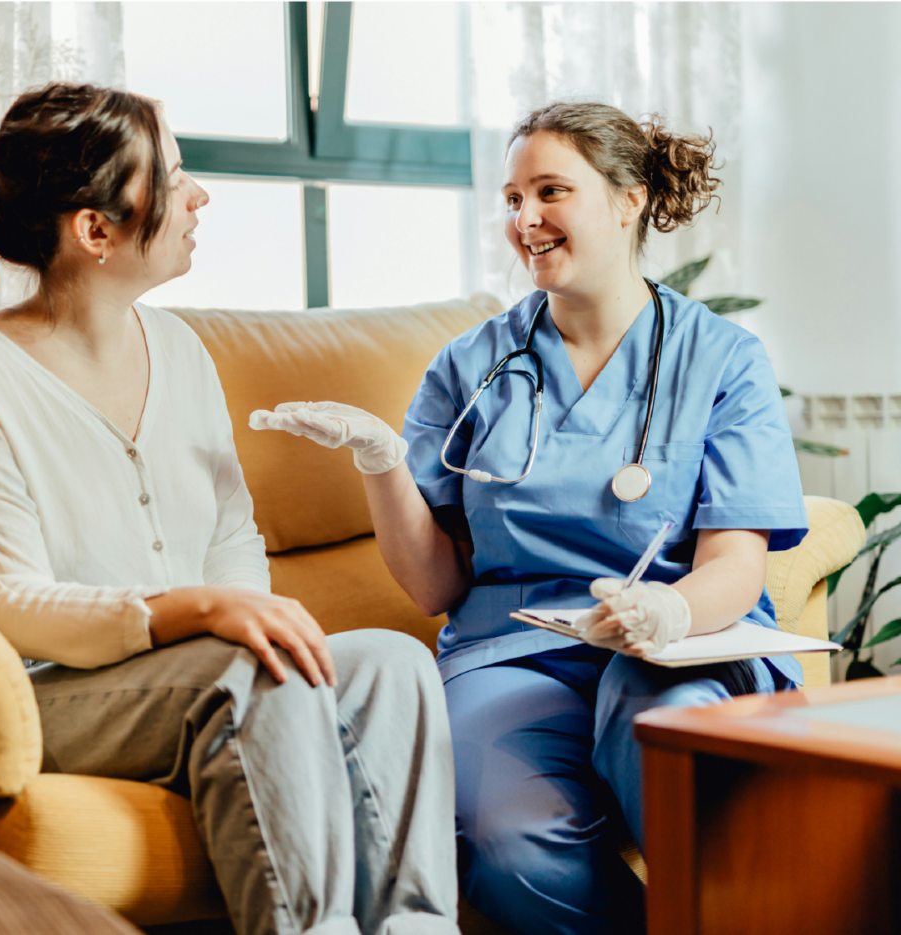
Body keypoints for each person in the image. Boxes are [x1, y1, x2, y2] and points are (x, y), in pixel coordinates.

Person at [251, 101, 809, 935]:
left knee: (661, 724)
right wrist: (381, 463)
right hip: (514, 649)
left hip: (681, 639)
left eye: (550, 191)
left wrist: (670, 609)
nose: (524, 219)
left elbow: (737, 562)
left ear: (629, 199)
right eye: (512, 198)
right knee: (507, 841)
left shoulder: (722, 359)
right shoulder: (471, 365)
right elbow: (438, 580)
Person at [0, 83, 460, 935]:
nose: (200, 194)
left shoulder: (177, 346)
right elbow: (11, 601)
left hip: (190, 669)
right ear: (96, 229)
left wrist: (236, 607)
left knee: (392, 664)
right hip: (55, 687)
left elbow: (231, 532)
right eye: (173, 176)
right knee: (256, 673)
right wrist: (203, 613)